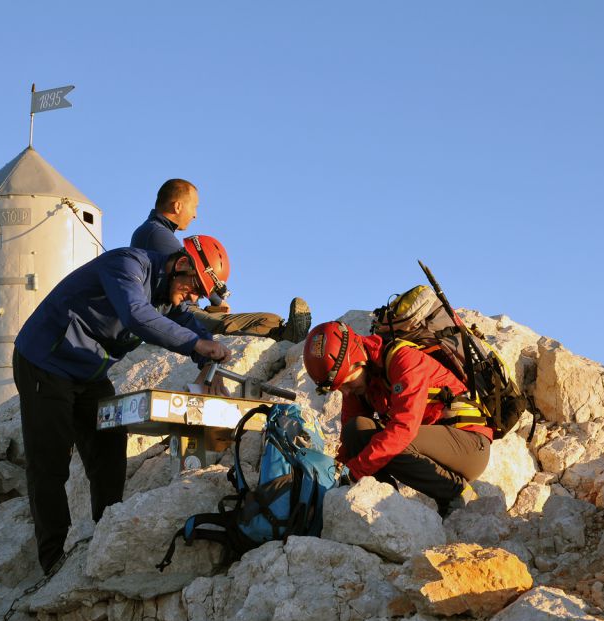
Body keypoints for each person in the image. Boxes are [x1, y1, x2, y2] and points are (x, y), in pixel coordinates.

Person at [13, 235, 232, 574]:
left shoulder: (168, 294)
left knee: (109, 445)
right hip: (46, 361)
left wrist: (208, 349)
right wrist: (196, 346)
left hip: (86, 372)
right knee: (49, 462)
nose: (193, 297)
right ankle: (52, 558)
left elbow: (186, 321)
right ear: (183, 264)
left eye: (201, 295)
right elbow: (135, 315)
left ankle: (106, 531)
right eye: (194, 288)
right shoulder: (127, 265)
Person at [302, 321, 491, 516]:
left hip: (469, 445)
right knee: (356, 430)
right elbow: (350, 438)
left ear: (358, 358)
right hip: (429, 444)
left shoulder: (404, 360)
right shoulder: (360, 383)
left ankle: (456, 494)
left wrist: (354, 472)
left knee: (394, 440)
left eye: (347, 383)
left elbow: (403, 429)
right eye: (339, 388)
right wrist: (333, 476)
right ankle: (386, 509)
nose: (346, 392)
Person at [131, 178, 311, 343]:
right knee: (260, 320)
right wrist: (217, 300)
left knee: (238, 321)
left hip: (176, 311)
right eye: (194, 207)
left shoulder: (151, 231)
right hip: (176, 314)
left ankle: (283, 335)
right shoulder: (157, 233)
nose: (195, 215)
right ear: (178, 206)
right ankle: (285, 335)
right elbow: (196, 271)